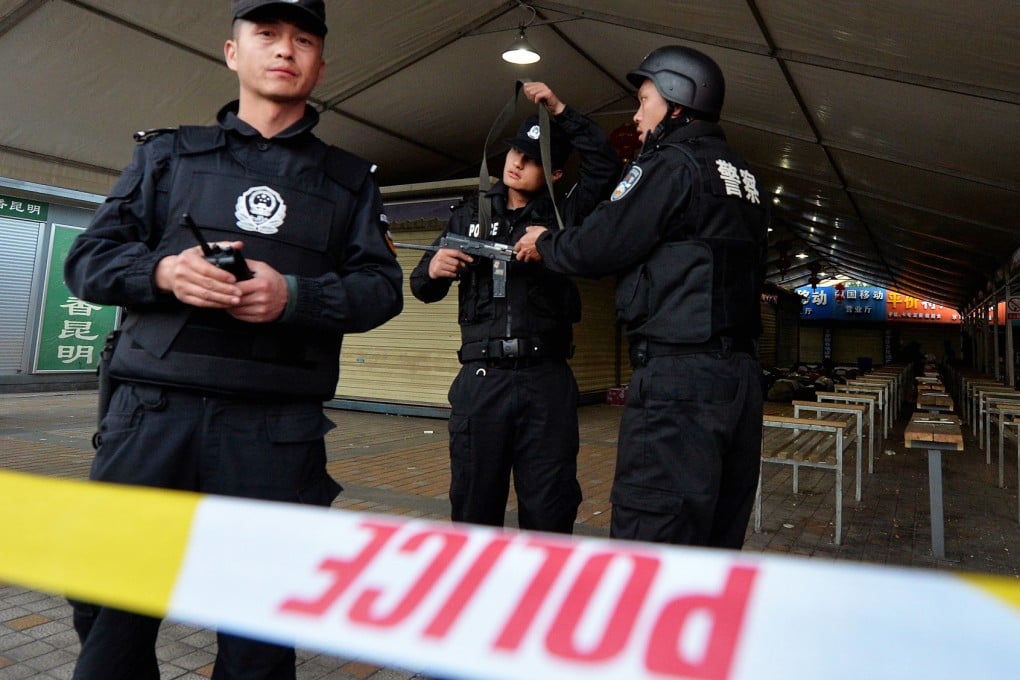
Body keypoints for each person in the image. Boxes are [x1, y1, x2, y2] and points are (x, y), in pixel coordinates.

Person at [62, 1, 402, 677]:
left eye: (303, 40)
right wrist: (163, 271)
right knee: (107, 610)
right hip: (152, 417)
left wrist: (295, 295)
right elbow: (87, 262)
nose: (284, 50)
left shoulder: (349, 180)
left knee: (258, 630)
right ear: (231, 52)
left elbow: (381, 288)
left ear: (320, 65)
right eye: (268, 35)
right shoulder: (165, 155)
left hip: (274, 431)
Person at [515, 46, 769, 548]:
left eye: (645, 99)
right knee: (716, 538)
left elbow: (606, 239)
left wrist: (545, 243)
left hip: (680, 381)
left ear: (677, 102)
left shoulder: (672, 165)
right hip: (739, 380)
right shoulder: (745, 179)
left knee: (653, 533)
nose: (637, 113)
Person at [410, 82, 620, 533]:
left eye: (530, 160)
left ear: (556, 173)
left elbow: (605, 165)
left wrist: (561, 110)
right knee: (473, 505)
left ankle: (540, 596)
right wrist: (435, 269)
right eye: (513, 154)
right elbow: (421, 287)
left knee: (550, 505)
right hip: (482, 380)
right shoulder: (469, 214)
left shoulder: (565, 216)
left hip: (545, 379)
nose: (516, 164)